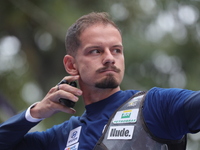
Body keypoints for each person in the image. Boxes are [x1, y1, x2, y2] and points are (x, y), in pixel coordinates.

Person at [0, 12, 200, 150]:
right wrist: (35, 113)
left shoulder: (154, 106)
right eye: (96, 51)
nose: (109, 58)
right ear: (71, 65)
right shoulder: (63, 135)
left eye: (116, 50)